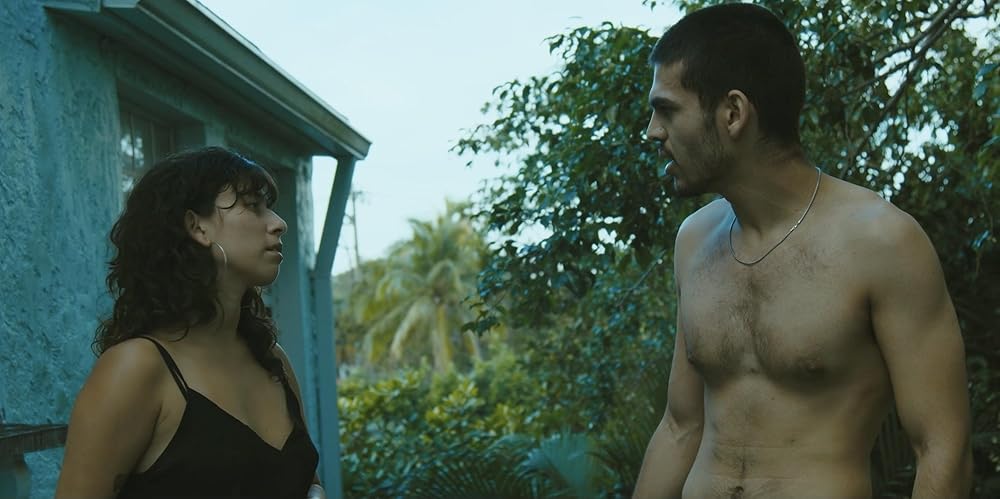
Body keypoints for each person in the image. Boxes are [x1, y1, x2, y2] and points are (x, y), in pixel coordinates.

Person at [632, 3, 972, 498]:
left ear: (733, 113)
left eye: (667, 110)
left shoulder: (882, 242)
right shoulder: (694, 241)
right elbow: (680, 426)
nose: (653, 131)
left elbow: (942, 448)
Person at [56, 147, 325, 498]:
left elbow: (305, 482)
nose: (278, 223)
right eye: (253, 206)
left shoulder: (272, 360)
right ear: (197, 227)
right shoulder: (137, 368)